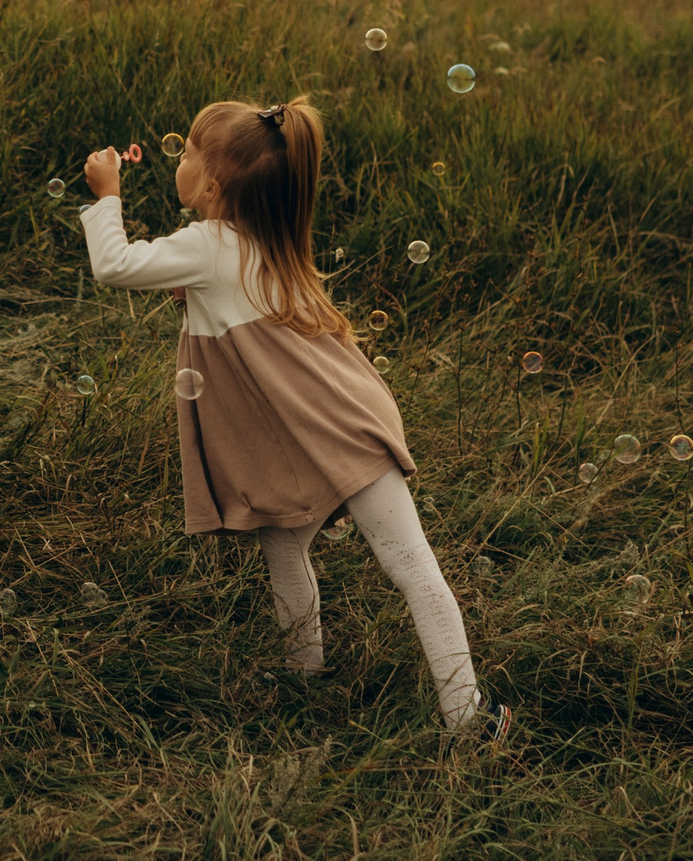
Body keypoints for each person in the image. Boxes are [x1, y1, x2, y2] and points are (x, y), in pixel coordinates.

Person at [78, 99, 508, 738]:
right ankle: (303, 682)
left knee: (410, 565)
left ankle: (468, 722)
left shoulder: (207, 246)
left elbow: (112, 266)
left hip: (332, 431)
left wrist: (106, 195)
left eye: (188, 152)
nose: (182, 160)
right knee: (291, 544)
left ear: (213, 185)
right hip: (320, 427)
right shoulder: (267, 239)